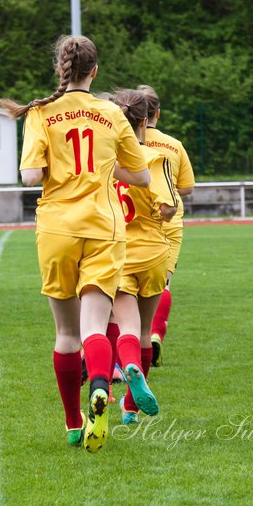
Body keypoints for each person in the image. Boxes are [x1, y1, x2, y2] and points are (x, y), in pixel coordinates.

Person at [0, 35, 149, 453]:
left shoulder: (41, 113)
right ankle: (101, 385)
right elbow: (141, 177)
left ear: (60, 70)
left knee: (66, 333)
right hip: (104, 226)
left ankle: (72, 422)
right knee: (94, 327)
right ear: (95, 71)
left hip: (58, 229)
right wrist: (107, 170)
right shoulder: (113, 113)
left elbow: (30, 176)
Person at [105, 89, 177, 425]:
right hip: (153, 253)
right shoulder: (153, 159)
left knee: (126, 327)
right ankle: (131, 407)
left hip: (118, 252)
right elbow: (168, 207)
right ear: (146, 120)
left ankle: (128, 365)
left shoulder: (107, 160)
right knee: (147, 329)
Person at [136, 85, 196, 366]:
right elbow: (186, 188)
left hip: (135, 216)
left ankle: (129, 340)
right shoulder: (174, 145)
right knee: (163, 281)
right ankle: (154, 334)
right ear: (157, 113)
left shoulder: (128, 142)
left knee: (127, 284)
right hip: (170, 219)